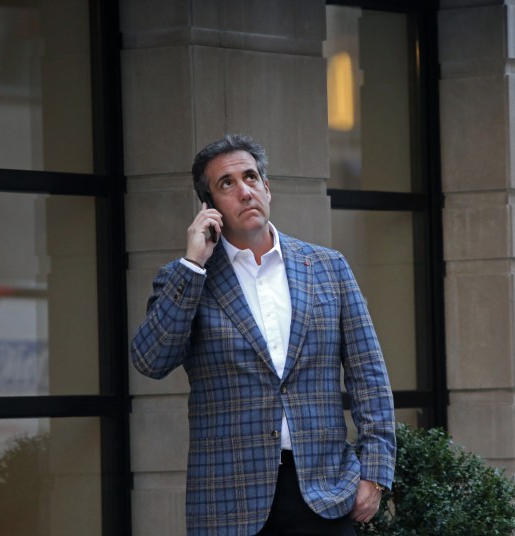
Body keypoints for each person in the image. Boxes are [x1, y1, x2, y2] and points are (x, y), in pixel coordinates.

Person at [130, 134, 396, 536]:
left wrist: (374, 474)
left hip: (324, 495)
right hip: (229, 503)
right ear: (210, 207)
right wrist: (193, 265)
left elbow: (369, 376)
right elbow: (151, 360)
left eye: (251, 177)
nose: (244, 191)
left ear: (267, 187)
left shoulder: (328, 267)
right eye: (227, 184)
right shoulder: (185, 278)